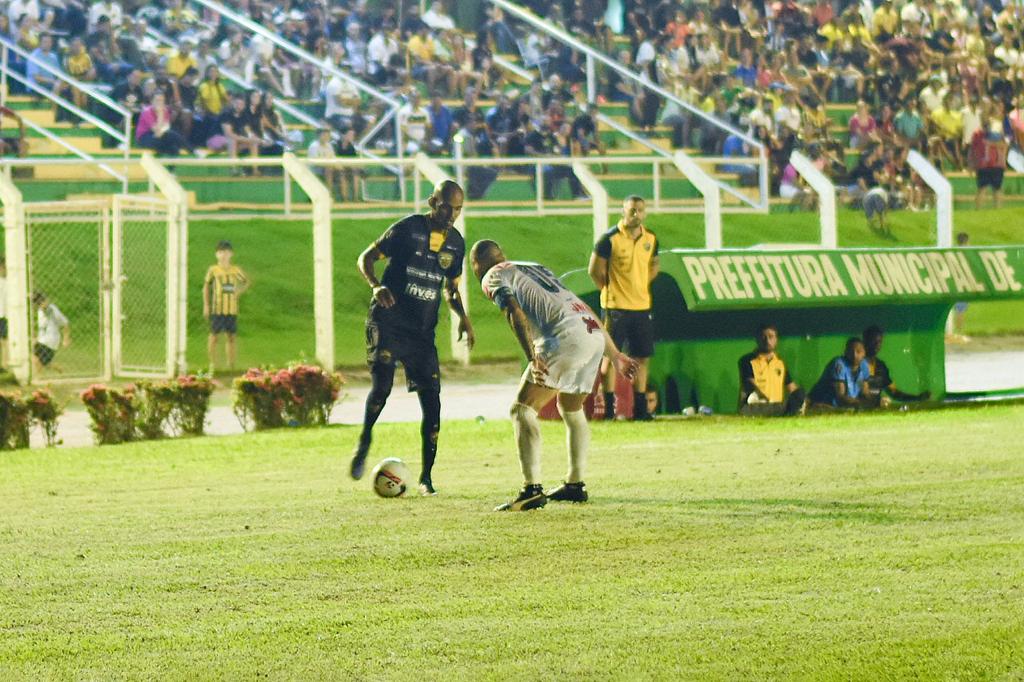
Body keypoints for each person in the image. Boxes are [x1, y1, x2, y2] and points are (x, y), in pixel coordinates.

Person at [470, 239, 637, 511]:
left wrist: (532, 356)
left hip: (563, 338)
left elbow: (513, 311)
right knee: (571, 407)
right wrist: (614, 354)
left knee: (522, 410)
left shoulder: (493, 275)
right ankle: (575, 484)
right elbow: (580, 306)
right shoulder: (534, 267)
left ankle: (531, 489)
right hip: (591, 334)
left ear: (476, 265)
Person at [350, 181, 475, 497]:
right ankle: (364, 441)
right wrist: (376, 286)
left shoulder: (456, 244)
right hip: (389, 323)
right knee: (382, 388)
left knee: (433, 404)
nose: (451, 214)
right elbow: (366, 257)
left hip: (422, 334)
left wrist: (462, 317)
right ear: (433, 202)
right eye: (446, 206)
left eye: (458, 208)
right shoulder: (408, 228)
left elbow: (450, 287)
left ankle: (427, 478)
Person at [588, 195, 659, 421]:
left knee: (641, 357)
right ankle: (609, 409)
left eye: (639, 210)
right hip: (615, 307)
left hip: (641, 306)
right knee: (611, 357)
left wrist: (641, 284)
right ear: (623, 212)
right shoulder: (609, 239)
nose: (635, 214)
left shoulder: (651, 238)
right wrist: (608, 291)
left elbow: (654, 264)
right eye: (631, 210)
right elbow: (594, 270)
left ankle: (640, 410)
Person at [202, 240, 250, 373]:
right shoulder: (213, 270)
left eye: (227, 252)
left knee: (231, 336)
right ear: (216, 254)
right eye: (221, 252)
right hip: (217, 308)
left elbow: (246, 282)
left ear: (231, 254)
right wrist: (206, 305)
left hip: (231, 309)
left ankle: (231, 364)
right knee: (214, 336)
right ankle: (213, 364)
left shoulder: (235, 270)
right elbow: (206, 287)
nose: (224, 255)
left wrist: (238, 291)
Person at [738, 323, 805, 416]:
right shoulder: (747, 360)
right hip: (754, 406)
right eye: (763, 337)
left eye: (771, 337)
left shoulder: (780, 363)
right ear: (757, 339)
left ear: (776, 340)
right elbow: (750, 384)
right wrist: (766, 399)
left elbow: (791, 387)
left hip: (776, 407)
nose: (767, 340)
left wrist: (802, 399)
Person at [862, 325, 930, 407]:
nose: (877, 344)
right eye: (873, 341)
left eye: (879, 341)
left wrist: (917, 398)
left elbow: (894, 393)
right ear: (865, 341)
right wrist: (876, 401)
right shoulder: (854, 365)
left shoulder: (881, 367)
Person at [808, 337, 872, 409]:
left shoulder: (864, 365)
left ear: (864, 353)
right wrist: (859, 403)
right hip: (821, 404)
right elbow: (840, 398)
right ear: (845, 352)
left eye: (858, 351)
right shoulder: (839, 364)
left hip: (842, 408)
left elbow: (865, 392)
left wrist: (876, 402)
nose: (854, 355)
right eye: (851, 351)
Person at [31, 291, 70, 373]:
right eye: (38, 303)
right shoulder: (39, 311)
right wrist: (36, 338)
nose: (41, 304)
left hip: (51, 340)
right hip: (42, 340)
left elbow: (65, 323)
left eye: (42, 301)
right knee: (42, 362)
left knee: (36, 360)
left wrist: (66, 338)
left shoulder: (52, 309)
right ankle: (58, 368)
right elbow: (42, 327)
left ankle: (39, 379)